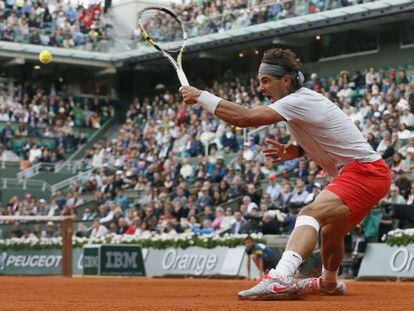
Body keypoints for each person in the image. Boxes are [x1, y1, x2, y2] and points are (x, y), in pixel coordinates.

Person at [180, 48, 391, 300]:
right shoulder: (301, 102)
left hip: (365, 172)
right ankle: (329, 282)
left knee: (309, 213)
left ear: (286, 81)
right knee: (331, 231)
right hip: (366, 172)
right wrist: (297, 151)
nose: (261, 87)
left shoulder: (298, 100)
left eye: (266, 80)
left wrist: (201, 95)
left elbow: (245, 117)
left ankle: (280, 277)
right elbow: (329, 136)